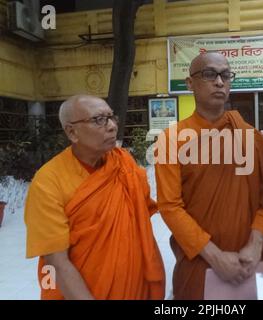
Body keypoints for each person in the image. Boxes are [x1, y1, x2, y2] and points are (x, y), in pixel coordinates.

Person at [155, 52, 263, 299]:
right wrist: (215, 256)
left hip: (251, 257)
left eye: (225, 75)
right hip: (200, 259)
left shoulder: (250, 136)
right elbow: (170, 206)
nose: (219, 82)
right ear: (190, 83)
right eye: (209, 74)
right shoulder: (172, 139)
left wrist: (254, 244)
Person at [25, 95, 165, 300]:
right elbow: (57, 262)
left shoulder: (124, 163)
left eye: (111, 117)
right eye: (99, 120)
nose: (112, 126)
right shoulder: (48, 183)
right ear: (72, 132)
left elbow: (141, 227)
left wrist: (155, 276)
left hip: (137, 290)